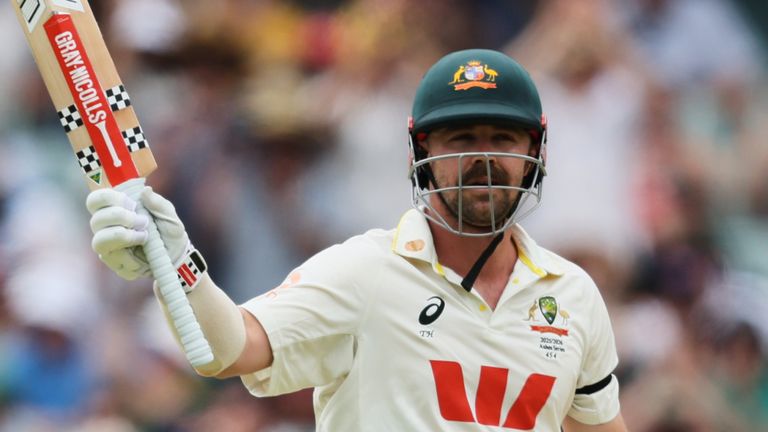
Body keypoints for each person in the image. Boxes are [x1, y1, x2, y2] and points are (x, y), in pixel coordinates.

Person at [87, 49, 627, 431]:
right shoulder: (364, 271)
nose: (483, 158)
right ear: (421, 154)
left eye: (503, 138)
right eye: (461, 138)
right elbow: (227, 350)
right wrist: (176, 263)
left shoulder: (573, 296)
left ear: (536, 153)